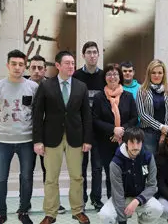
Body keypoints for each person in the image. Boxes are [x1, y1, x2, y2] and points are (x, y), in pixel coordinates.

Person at [33, 51, 92, 224]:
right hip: (51, 138)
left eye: (73, 63)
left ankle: (78, 210)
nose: (71, 66)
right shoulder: (46, 86)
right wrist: (37, 140)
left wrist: (87, 139)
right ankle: (50, 213)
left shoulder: (81, 86)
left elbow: (87, 116)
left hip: (76, 138)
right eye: (67, 63)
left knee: (77, 176)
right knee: (51, 177)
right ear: (57, 65)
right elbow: (37, 115)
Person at [0, 50, 38, 224]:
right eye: (14, 64)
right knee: (1, 178)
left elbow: (36, 114)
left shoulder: (33, 87)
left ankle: (23, 211)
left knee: (26, 177)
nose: (17, 67)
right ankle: (1, 213)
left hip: (27, 140)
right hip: (3, 141)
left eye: (20, 64)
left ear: (25, 66)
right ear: (7, 65)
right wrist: (3, 130)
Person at [27, 55, 66, 214]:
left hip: (48, 137)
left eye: (40, 68)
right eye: (33, 67)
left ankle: (54, 202)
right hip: (26, 137)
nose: (37, 71)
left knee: (50, 171)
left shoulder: (52, 86)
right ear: (29, 68)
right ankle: (25, 203)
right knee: (27, 172)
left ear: (45, 69)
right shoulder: (23, 85)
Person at [98, 127, 163, 224]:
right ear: (126, 143)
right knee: (105, 216)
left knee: (157, 209)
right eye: (132, 142)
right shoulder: (116, 163)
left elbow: (152, 186)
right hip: (122, 199)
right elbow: (118, 194)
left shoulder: (148, 158)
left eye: (138, 142)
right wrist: (122, 221)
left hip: (140, 197)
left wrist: (138, 200)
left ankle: (142, 222)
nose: (135, 146)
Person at [92, 63, 138, 199]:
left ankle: (125, 200)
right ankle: (112, 201)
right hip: (105, 142)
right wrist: (113, 130)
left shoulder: (128, 96)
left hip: (125, 141)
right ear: (105, 77)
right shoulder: (99, 97)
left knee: (126, 172)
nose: (112, 77)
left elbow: (134, 118)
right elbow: (95, 119)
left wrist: (121, 131)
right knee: (110, 172)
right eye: (109, 74)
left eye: (116, 74)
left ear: (120, 77)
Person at [73, 41, 105, 210]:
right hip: (81, 130)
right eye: (89, 52)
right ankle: (82, 199)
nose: (92, 55)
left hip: (99, 130)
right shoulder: (76, 76)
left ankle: (96, 198)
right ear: (83, 55)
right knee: (81, 168)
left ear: (98, 55)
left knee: (98, 167)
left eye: (95, 52)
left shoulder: (105, 76)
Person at [136, 59, 168, 153]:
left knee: (165, 160)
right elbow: (142, 114)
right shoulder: (142, 90)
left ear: (164, 74)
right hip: (148, 133)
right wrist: (160, 127)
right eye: (153, 72)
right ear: (149, 74)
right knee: (150, 161)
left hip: (166, 133)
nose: (156, 75)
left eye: (159, 72)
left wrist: (164, 131)